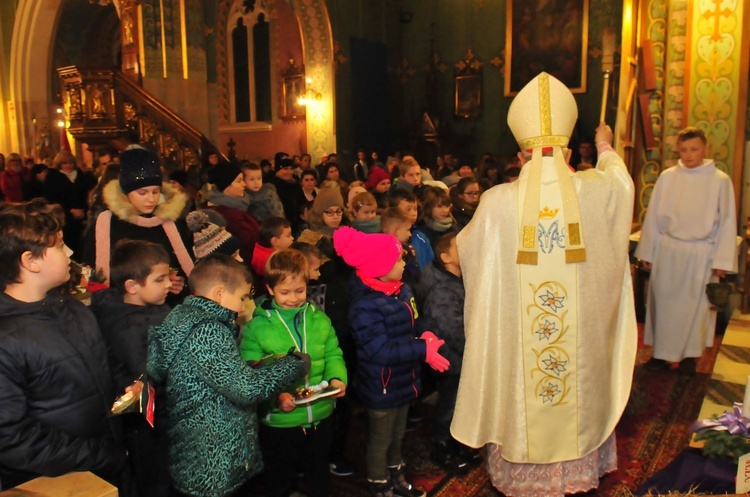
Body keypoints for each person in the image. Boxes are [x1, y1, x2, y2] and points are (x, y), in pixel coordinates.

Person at [450, 73, 637, 497]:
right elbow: (622, 184)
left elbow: (464, 254)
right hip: (579, 341)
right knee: (577, 386)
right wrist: (606, 144)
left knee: (523, 383)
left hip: (521, 344)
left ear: (520, 154)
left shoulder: (497, 200)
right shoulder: (595, 189)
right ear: (570, 151)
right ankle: (573, 471)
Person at [147, 254, 310, 497]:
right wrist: (294, 364)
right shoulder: (208, 330)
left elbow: (223, 378)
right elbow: (246, 390)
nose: (245, 306)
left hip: (200, 454)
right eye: (242, 297)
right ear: (220, 292)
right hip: (212, 464)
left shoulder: (185, 318)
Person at [0, 200, 130, 490]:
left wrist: (128, 385)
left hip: (105, 461)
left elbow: (103, 358)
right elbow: (12, 437)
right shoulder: (7, 339)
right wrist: (100, 456)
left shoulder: (70, 307)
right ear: (31, 262)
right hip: (60, 480)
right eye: (59, 246)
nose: (70, 251)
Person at [333, 226, 449, 497]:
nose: (403, 262)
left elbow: (414, 320)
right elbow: (380, 350)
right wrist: (423, 350)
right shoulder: (364, 306)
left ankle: (395, 473)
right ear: (379, 267)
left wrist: (425, 334)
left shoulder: (401, 290)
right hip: (381, 384)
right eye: (397, 260)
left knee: (398, 434)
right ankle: (379, 484)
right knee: (381, 438)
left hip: (404, 378)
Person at [240, 249, 348, 497]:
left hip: (320, 415)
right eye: (284, 292)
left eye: (299, 291)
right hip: (280, 421)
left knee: (318, 472)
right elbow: (253, 371)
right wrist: (277, 397)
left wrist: (337, 378)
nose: (293, 298)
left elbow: (333, 354)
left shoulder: (319, 320)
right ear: (270, 289)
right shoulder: (256, 329)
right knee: (279, 477)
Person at [635, 126, 737, 374]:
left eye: (694, 149)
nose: (689, 154)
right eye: (684, 150)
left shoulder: (719, 180)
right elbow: (655, 218)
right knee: (664, 301)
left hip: (701, 253)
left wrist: (721, 261)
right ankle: (660, 354)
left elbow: (726, 222)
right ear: (677, 149)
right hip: (669, 249)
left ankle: (690, 356)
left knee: (695, 307)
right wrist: (647, 253)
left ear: (704, 148)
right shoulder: (668, 177)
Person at [91, 239, 173, 497]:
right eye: (160, 280)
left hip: (163, 414)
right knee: (156, 478)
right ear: (132, 286)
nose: (169, 284)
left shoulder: (153, 307)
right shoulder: (127, 327)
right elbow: (148, 372)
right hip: (148, 421)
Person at [83, 147, 193, 301]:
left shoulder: (171, 224)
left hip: (167, 309)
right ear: (126, 193)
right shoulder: (107, 224)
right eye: (142, 193)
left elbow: (185, 268)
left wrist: (180, 283)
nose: (150, 199)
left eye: (155, 192)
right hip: (121, 310)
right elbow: (91, 274)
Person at [417, 232, 473, 472]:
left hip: (458, 354)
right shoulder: (441, 289)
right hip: (451, 356)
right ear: (446, 257)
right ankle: (441, 445)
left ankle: (455, 442)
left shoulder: (453, 278)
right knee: (449, 403)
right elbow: (451, 328)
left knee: (459, 403)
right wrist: (473, 348)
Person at [205, 162, 261, 267]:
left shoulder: (238, 205)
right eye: (239, 181)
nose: (244, 184)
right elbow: (249, 243)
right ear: (226, 185)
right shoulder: (229, 214)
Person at [44, 151, 97, 255]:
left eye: (70, 163)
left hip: (82, 217)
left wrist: (83, 210)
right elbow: (51, 198)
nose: (68, 166)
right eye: (65, 163)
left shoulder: (81, 176)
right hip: (64, 218)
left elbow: (88, 194)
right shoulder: (53, 177)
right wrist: (70, 210)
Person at [251, 216, 294, 295]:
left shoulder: (258, 248)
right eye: (288, 236)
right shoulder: (274, 261)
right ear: (275, 241)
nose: (292, 238)